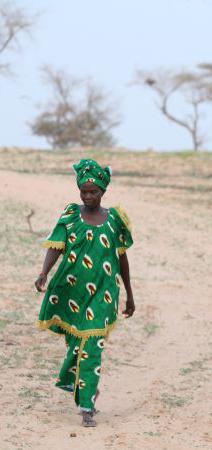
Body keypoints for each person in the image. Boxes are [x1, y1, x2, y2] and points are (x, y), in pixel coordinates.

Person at [34, 159, 135, 427]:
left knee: (92, 345)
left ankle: (87, 407)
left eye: (94, 192)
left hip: (103, 295)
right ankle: (84, 387)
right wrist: (44, 273)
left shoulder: (115, 220)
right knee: (76, 345)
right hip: (71, 293)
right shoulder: (70, 215)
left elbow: (122, 258)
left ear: (103, 191)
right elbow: (56, 246)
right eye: (84, 191)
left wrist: (130, 293)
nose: (88, 196)